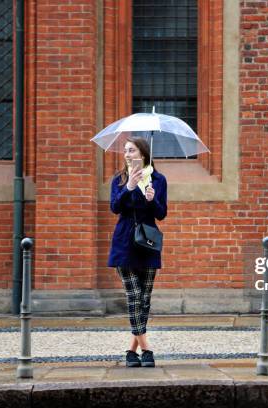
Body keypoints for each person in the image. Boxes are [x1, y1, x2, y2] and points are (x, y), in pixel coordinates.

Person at [108, 136, 167, 368]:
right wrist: (130, 188)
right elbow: (115, 207)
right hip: (124, 243)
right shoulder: (120, 179)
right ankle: (147, 349)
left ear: (142, 154)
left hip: (148, 242)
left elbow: (161, 213)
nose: (127, 154)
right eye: (125, 150)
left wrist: (152, 200)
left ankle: (131, 352)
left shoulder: (158, 180)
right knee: (134, 297)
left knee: (144, 299)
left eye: (131, 150)